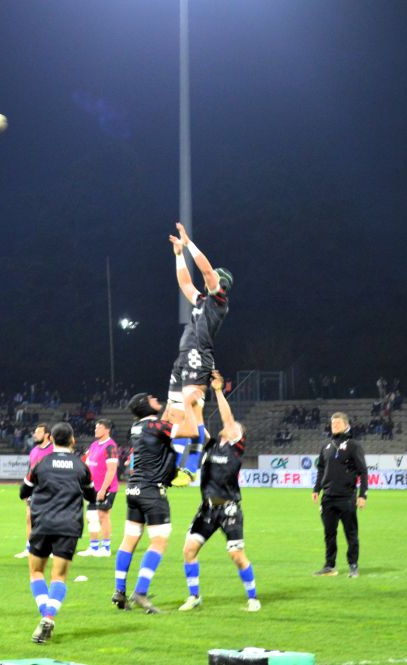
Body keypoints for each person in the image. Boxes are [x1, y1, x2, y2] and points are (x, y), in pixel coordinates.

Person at [179, 371, 260, 612]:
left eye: (233, 425)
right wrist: (192, 404)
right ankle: (194, 596)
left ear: (238, 433)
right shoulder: (212, 444)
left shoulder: (236, 446)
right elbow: (197, 429)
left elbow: (227, 418)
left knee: (236, 555)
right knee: (189, 550)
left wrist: (217, 391)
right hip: (207, 509)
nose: (229, 425)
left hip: (229, 508)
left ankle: (253, 598)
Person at [112, 391, 199, 613]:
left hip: (132, 489)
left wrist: (171, 409)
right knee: (159, 542)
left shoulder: (137, 427)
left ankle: (119, 591)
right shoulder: (155, 426)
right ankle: (141, 592)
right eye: (151, 398)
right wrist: (188, 405)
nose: (155, 399)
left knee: (129, 540)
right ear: (144, 404)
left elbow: (164, 429)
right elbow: (190, 431)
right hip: (151, 490)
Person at [166, 222, 232, 485]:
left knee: (191, 404)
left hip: (199, 355)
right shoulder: (202, 301)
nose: (209, 279)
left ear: (221, 284)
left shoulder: (219, 302)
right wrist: (179, 255)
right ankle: (195, 446)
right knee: (174, 412)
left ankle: (191, 467)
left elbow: (205, 270)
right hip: (183, 356)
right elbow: (185, 283)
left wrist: (189, 243)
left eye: (215, 277)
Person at [20, 422, 97, 644]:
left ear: (51, 440)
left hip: (43, 524)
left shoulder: (40, 463)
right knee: (59, 576)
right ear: (72, 440)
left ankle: (45, 615)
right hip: (69, 526)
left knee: (36, 572)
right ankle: (49, 617)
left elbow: (23, 491)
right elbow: (91, 497)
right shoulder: (81, 466)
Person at [313, 412, 368, 578]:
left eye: (337, 424)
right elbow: (321, 470)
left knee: (351, 533)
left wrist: (362, 495)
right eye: (332, 424)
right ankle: (329, 566)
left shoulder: (354, 445)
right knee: (329, 533)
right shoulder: (326, 447)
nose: (334, 426)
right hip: (328, 497)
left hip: (347, 497)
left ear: (346, 425)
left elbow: (363, 471)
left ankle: (353, 565)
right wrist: (316, 489)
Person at [77, 418, 119, 558]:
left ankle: (105, 548)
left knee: (103, 516)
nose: (95, 430)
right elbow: (87, 465)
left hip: (106, 488)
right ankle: (94, 547)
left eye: (98, 427)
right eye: (95, 427)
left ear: (107, 429)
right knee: (91, 517)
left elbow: (111, 470)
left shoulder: (110, 447)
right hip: (93, 488)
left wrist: (103, 489)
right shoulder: (94, 445)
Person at [15, 423, 55, 558]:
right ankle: (30, 547)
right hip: (34, 489)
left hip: (49, 490)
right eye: (35, 432)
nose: (34, 434)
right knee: (30, 518)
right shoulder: (34, 450)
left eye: (38, 432)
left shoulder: (54, 450)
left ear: (47, 435)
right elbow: (29, 471)